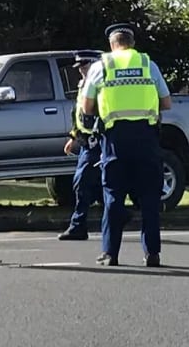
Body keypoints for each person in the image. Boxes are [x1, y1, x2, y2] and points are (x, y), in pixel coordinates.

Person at [80, 23, 171, 267]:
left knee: (113, 196)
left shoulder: (102, 66)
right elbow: (167, 102)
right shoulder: (147, 64)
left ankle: (110, 254)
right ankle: (152, 253)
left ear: (112, 44)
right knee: (150, 197)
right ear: (132, 43)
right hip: (146, 136)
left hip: (115, 139)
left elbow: (86, 107)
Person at [58, 49, 104, 241]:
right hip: (86, 141)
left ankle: (78, 225)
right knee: (98, 185)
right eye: (80, 67)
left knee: (82, 182)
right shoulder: (84, 84)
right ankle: (117, 215)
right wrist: (73, 137)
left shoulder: (100, 85)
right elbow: (78, 114)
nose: (81, 71)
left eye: (85, 66)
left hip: (96, 141)